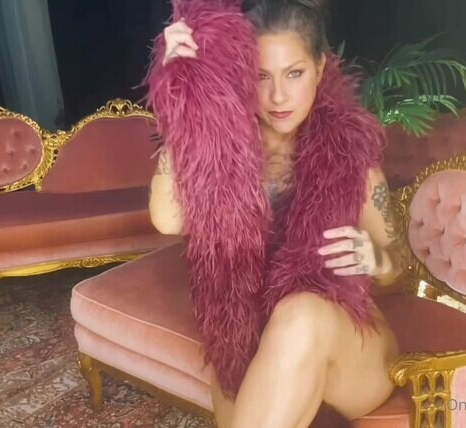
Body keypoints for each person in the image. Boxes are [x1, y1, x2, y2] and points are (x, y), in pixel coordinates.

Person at [148, 1, 403, 427]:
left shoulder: (352, 161)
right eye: (261, 76)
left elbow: (399, 271)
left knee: (300, 314)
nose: (278, 96)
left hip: (349, 346)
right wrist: (187, 101)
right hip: (250, 344)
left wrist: (378, 259)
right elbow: (166, 219)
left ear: (320, 69)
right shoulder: (221, 156)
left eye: (294, 73)